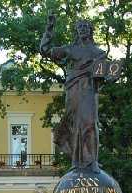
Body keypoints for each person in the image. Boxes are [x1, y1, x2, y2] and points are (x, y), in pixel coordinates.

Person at [39, 16, 106, 171]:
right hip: (73, 90)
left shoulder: (98, 53)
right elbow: (46, 50)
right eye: (80, 26)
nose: (82, 29)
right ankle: (76, 162)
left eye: (85, 26)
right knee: (74, 124)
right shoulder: (69, 49)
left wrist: (108, 77)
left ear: (90, 30)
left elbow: (102, 76)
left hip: (89, 90)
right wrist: (49, 29)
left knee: (90, 123)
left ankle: (92, 161)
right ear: (76, 30)